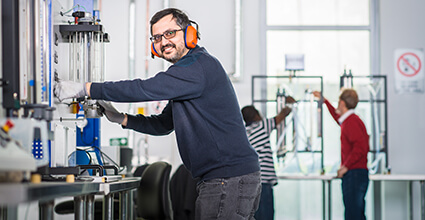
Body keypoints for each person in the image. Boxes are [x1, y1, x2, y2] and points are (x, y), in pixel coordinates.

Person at [55, 8, 261, 219]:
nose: (164, 42)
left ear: (190, 33)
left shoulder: (197, 66)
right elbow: (163, 124)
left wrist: (86, 88)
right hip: (228, 177)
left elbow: (145, 88)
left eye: (170, 33)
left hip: (227, 178)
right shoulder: (186, 78)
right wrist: (123, 119)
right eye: (157, 37)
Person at [313, 89, 369, 220]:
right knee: (355, 213)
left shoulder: (351, 122)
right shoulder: (349, 120)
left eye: (338, 102)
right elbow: (337, 117)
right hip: (356, 173)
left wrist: (346, 166)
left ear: (342, 103)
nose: (337, 105)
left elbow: (361, 148)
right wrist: (325, 101)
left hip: (354, 174)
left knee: (353, 215)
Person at [241, 96, 295, 220]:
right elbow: (283, 115)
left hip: (248, 184)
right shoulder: (262, 126)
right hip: (263, 183)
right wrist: (290, 104)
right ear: (256, 116)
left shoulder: (244, 133)